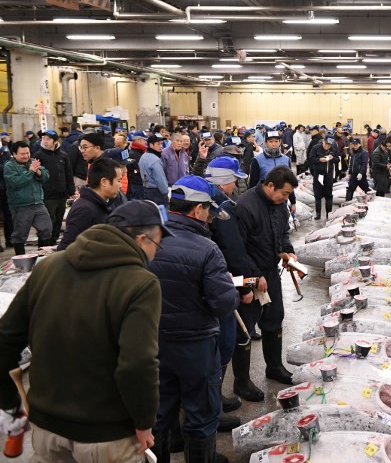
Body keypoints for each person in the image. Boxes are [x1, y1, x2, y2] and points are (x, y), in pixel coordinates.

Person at [0, 200, 171, 462]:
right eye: (156, 245)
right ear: (140, 239)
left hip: (47, 427)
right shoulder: (140, 283)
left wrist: (9, 403)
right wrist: (144, 421)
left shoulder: (48, 267)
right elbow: (137, 363)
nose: (156, 253)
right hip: (106, 434)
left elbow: (6, 338)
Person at [149, 175, 240, 462]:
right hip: (195, 345)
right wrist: (228, 286)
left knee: (159, 412)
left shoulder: (148, 240)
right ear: (198, 209)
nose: (211, 218)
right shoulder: (206, 249)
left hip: (153, 343)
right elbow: (224, 303)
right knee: (201, 414)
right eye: (209, 211)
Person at [204, 157, 265, 405]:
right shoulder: (222, 210)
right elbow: (233, 251)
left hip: (212, 284)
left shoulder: (210, 203)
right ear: (223, 181)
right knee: (224, 344)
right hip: (225, 284)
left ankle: (214, 398)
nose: (235, 186)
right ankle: (214, 400)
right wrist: (245, 286)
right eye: (233, 181)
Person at [236, 166, 298, 385]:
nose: (286, 198)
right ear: (271, 186)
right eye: (284, 193)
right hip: (249, 277)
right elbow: (237, 249)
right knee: (244, 326)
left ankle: (274, 367)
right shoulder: (245, 205)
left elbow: (282, 233)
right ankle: (242, 382)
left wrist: (287, 252)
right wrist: (252, 276)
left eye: (289, 194)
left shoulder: (280, 206)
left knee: (274, 318)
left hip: (271, 273)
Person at [57, 157, 123, 250]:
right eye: (119, 180)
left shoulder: (104, 204)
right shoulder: (85, 210)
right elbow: (67, 247)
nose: (121, 185)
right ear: (104, 182)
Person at [4, 141, 53, 253]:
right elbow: (17, 182)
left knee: (46, 230)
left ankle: (42, 259)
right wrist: (31, 171)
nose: (26, 156)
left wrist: (39, 172)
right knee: (20, 235)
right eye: (22, 154)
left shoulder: (32, 162)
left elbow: (46, 176)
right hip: (21, 206)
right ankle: (21, 264)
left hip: (38, 203)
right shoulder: (9, 166)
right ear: (14, 154)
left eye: (27, 153)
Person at [34, 129, 75, 244]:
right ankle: (44, 244)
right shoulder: (39, 155)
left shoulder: (63, 155)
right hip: (47, 195)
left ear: (55, 141)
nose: (45, 141)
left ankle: (53, 242)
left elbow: (68, 173)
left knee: (58, 221)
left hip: (61, 194)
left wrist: (71, 191)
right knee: (48, 221)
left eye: (48, 139)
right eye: (43, 139)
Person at [308, 135, 339, 219]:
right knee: (317, 195)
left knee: (329, 195)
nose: (327, 146)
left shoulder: (333, 149)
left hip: (329, 175)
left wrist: (333, 158)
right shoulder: (315, 148)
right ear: (323, 141)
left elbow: (338, 160)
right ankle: (318, 214)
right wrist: (319, 160)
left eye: (329, 144)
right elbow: (310, 159)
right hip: (318, 175)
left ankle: (329, 214)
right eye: (326, 143)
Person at [139, 133, 170, 207]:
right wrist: (166, 193)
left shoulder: (143, 156)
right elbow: (160, 179)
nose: (161, 146)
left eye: (161, 144)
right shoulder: (155, 160)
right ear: (151, 145)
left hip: (146, 190)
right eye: (158, 144)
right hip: (157, 193)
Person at [0, 132, 14, 251]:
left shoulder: (5, 148)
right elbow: (7, 166)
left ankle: (10, 240)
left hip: (5, 188)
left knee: (9, 215)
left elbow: (9, 164)